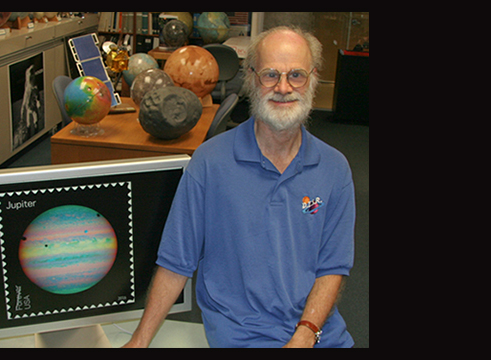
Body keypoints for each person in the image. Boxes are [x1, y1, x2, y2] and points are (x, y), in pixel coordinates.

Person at [123, 26, 355, 348]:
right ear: (251, 78)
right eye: (270, 74)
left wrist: (304, 335)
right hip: (243, 338)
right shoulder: (209, 163)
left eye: (296, 75)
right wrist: (139, 341)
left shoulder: (335, 169)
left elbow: (333, 266)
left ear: (313, 79)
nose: (284, 87)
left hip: (317, 333)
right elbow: (176, 262)